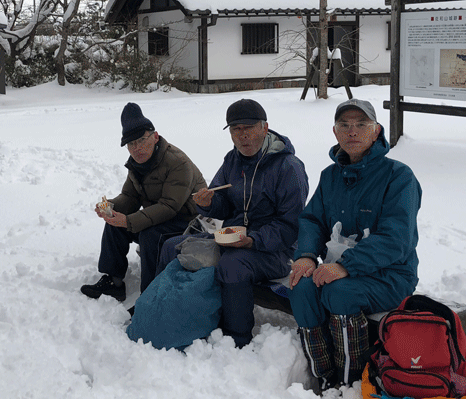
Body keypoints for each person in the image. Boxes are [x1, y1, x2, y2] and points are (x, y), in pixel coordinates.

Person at [288, 99, 422, 392]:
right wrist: (308, 256)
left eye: (361, 125)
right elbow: (312, 220)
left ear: (376, 132)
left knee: (339, 292)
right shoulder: (330, 176)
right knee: (302, 286)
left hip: (390, 274)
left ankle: (348, 381)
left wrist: (346, 266)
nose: (353, 132)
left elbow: (396, 239)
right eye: (345, 126)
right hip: (341, 270)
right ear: (335, 133)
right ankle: (322, 376)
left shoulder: (399, 177)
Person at [156, 98, 309, 348]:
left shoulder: (288, 167)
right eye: (236, 130)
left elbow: (291, 226)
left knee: (233, 264)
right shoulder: (232, 160)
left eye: (249, 128)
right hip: (230, 240)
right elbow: (223, 202)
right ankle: (162, 310)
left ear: (265, 128)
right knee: (172, 246)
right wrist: (207, 202)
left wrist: (253, 240)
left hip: (275, 252)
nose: (243, 136)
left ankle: (235, 338)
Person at [80, 102, 207, 301]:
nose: (137, 148)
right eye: (131, 144)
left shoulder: (178, 163)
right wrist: (110, 207)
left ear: (155, 137)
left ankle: (150, 296)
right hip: (160, 217)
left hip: (189, 222)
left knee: (149, 235)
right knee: (115, 224)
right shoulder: (136, 165)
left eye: (142, 140)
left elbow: (169, 206)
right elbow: (130, 197)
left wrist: (129, 221)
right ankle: (113, 281)